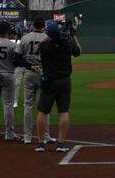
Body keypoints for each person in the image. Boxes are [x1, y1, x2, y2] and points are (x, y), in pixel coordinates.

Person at [35, 19, 82, 152]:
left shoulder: (43, 46)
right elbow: (78, 51)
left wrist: (55, 33)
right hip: (64, 81)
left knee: (43, 112)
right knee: (64, 112)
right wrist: (72, 34)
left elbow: (45, 41)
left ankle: (40, 143)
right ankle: (61, 143)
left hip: (48, 81)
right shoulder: (66, 44)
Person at [15, 19, 46, 144]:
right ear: (44, 26)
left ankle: (27, 136)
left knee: (28, 105)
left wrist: (29, 66)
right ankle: (46, 136)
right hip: (44, 73)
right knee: (45, 107)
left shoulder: (25, 38)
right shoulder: (47, 38)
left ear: (33, 25)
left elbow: (17, 59)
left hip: (29, 72)